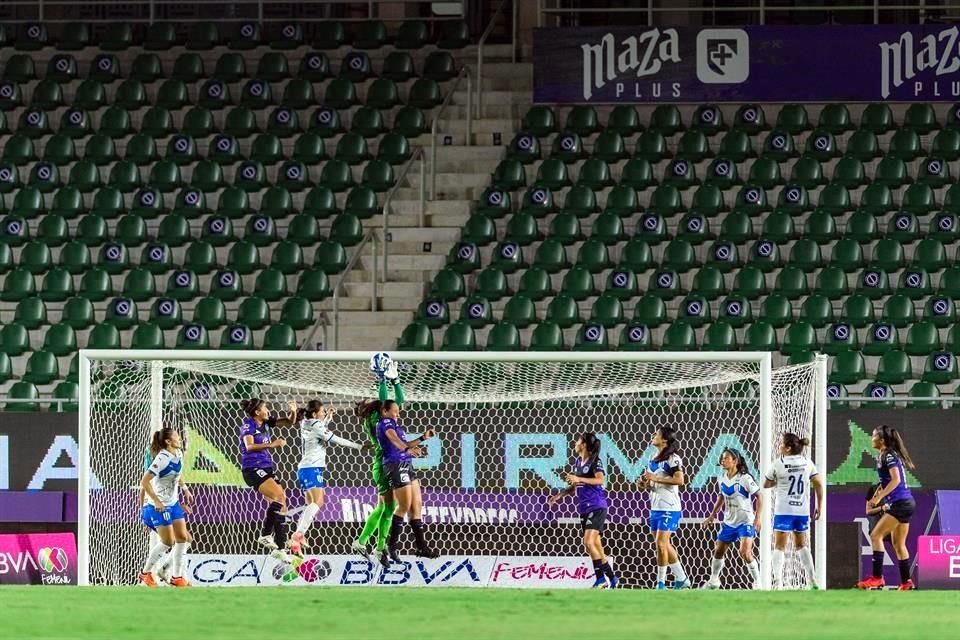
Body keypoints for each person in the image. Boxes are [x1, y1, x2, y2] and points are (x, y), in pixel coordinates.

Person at [290, 399, 368, 555]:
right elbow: (335, 439)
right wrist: (360, 446)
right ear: (314, 413)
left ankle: (299, 535)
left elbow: (319, 429)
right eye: (322, 411)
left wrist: (327, 419)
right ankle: (297, 535)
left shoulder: (307, 422)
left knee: (312, 504)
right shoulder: (315, 425)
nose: (324, 412)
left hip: (308, 468)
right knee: (318, 502)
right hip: (311, 468)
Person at [547, 433, 618, 589]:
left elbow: (600, 480)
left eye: (578, 440)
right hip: (584, 508)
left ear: (584, 444)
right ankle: (613, 578)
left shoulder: (595, 461)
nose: (576, 443)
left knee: (588, 541)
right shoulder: (579, 462)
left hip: (597, 506)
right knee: (596, 546)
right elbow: (575, 486)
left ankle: (600, 579)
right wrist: (560, 495)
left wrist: (579, 479)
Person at [351, 363, 404, 567]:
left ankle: (379, 546)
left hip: (386, 462)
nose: (371, 398)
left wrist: (396, 380)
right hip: (383, 464)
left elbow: (397, 401)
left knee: (389, 508)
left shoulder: (379, 414)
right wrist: (383, 378)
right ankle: (362, 541)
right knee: (386, 506)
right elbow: (385, 400)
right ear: (367, 407)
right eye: (368, 400)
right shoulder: (374, 416)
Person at [239, 398, 300, 565]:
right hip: (252, 468)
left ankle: (280, 549)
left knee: (282, 505)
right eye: (265, 407)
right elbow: (249, 446)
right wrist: (273, 444)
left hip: (266, 467)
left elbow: (289, 422)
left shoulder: (266, 422)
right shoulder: (248, 425)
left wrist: (293, 411)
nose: (267, 409)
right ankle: (265, 535)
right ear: (257, 412)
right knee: (279, 495)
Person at [857, 425, 917, 591]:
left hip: (900, 503)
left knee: (876, 535)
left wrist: (880, 497)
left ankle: (877, 578)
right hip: (907, 502)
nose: (871, 437)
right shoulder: (886, 454)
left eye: (874, 435)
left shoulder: (888, 455)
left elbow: (896, 480)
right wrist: (879, 495)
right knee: (899, 544)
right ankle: (907, 582)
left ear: (882, 440)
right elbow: (889, 481)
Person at [377, 399, 439, 561]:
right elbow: (395, 441)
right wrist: (407, 449)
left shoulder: (397, 427)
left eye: (398, 410)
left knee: (416, 506)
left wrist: (422, 438)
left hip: (407, 464)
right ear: (385, 411)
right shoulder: (385, 424)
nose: (398, 413)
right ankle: (391, 546)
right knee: (404, 506)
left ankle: (421, 547)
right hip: (395, 465)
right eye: (395, 410)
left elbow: (404, 444)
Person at [763, 432, 823, 590]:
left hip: (784, 510)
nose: (779, 446)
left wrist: (779, 480)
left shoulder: (778, 463)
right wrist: (819, 505)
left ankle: (777, 582)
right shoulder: (807, 462)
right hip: (801, 511)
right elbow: (818, 483)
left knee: (779, 546)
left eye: (782, 444)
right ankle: (812, 580)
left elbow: (766, 484)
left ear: (788, 448)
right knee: (802, 545)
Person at [139, 427, 193, 587]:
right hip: (158, 506)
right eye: (176, 436)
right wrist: (155, 502)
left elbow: (177, 474)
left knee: (184, 538)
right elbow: (144, 482)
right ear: (168, 442)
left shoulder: (179, 454)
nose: (180, 438)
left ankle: (177, 577)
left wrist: (185, 489)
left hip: (173, 503)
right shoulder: (161, 458)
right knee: (168, 542)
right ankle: (145, 573)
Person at [702, 448, 763, 589]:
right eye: (722, 458)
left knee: (745, 553)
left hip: (745, 521)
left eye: (726, 458)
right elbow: (722, 496)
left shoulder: (745, 478)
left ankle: (757, 583)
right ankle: (714, 581)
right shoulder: (722, 478)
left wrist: (757, 518)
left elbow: (760, 496)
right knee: (718, 551)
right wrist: (712, 515)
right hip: (729, 522)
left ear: (735, 461)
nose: (723, 460)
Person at [639, 426, 689, 589]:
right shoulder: (652, 459)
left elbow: (680, 480)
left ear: (665, 440)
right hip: (655, 506)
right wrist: (643, 483)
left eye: (657, 434)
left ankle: (660, 583)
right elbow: (651, 482)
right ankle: (681, 579)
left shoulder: (673, 459)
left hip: (670, 507)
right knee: (664, 545)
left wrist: (655, 479)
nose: (654, 436)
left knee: (661, 544)